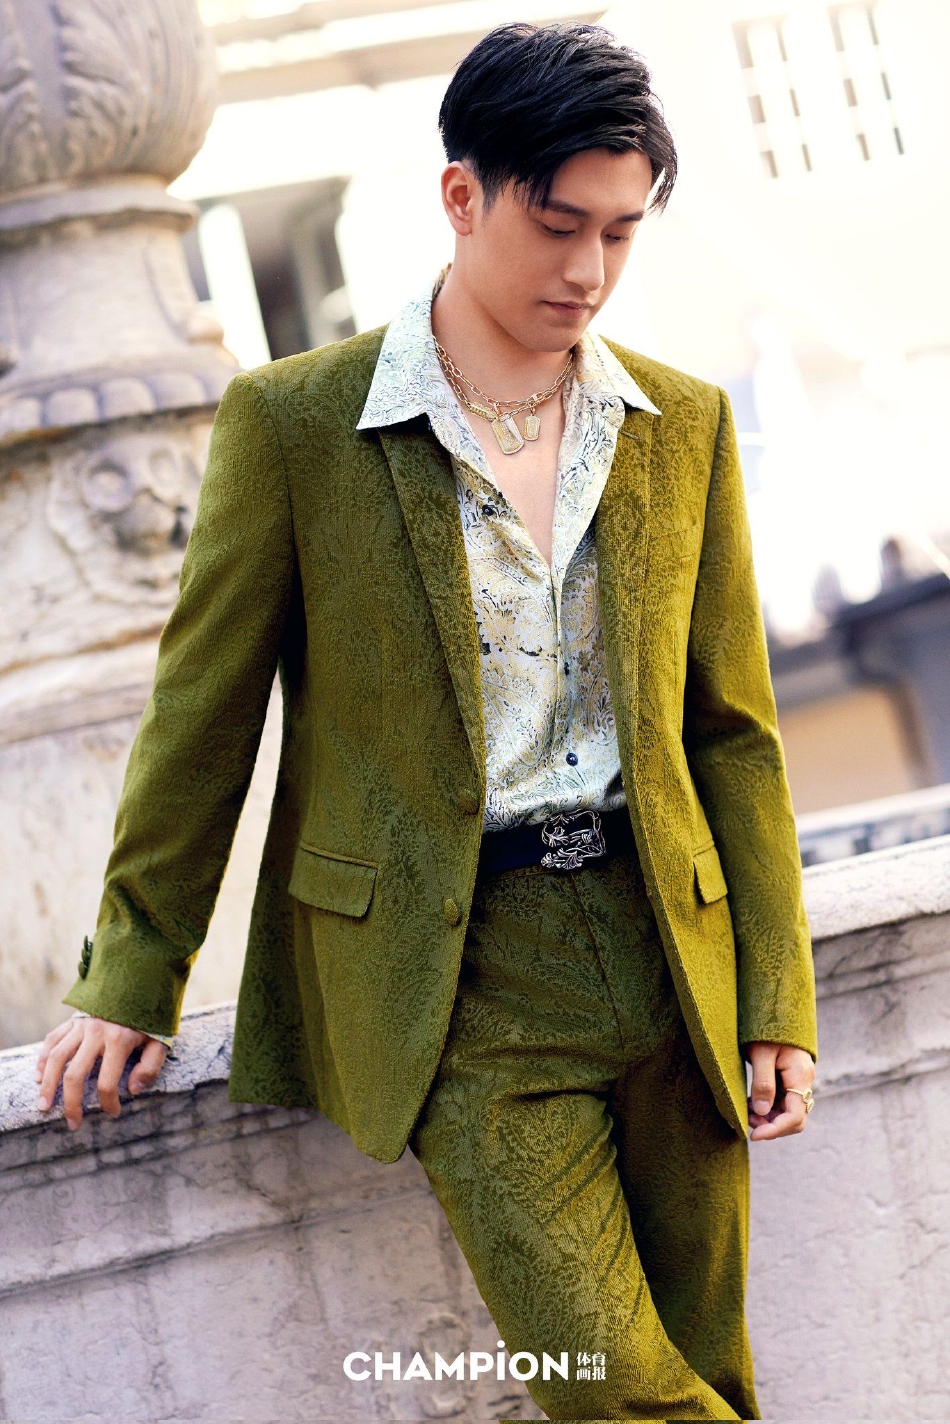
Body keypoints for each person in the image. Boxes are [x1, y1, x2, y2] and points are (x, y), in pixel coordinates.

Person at [34, 21, 817, 1421]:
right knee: (616, 1390)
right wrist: (131, 969)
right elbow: (202, 717)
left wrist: (776, 998)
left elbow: (731, 734)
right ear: (462, 196)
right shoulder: (297, 425)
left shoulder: (681, 423)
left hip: (672, 954)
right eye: (558, 225)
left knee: (707, 1373)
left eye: (620, 233)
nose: (588, 271)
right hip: (461, 982)